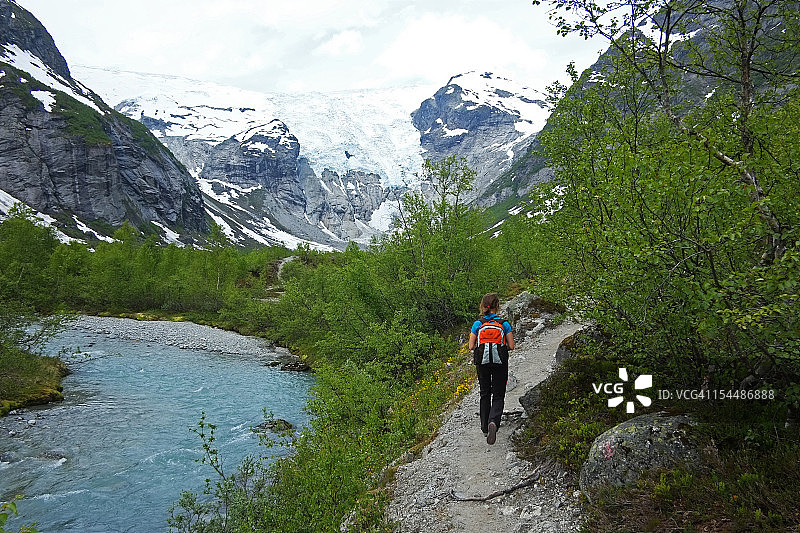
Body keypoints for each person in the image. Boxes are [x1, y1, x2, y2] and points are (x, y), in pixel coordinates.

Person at [468, 293, 515, 445]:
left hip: (482, 362)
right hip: (500, 361)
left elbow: (471, 346)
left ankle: (484, 427)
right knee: (499, 394)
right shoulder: (504, 324)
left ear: (483, 306)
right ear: (497, 306)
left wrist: (482, 349)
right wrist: (500, 348)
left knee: (485, 393)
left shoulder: (478, 324)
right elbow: (512, 346)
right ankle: (493, 421)